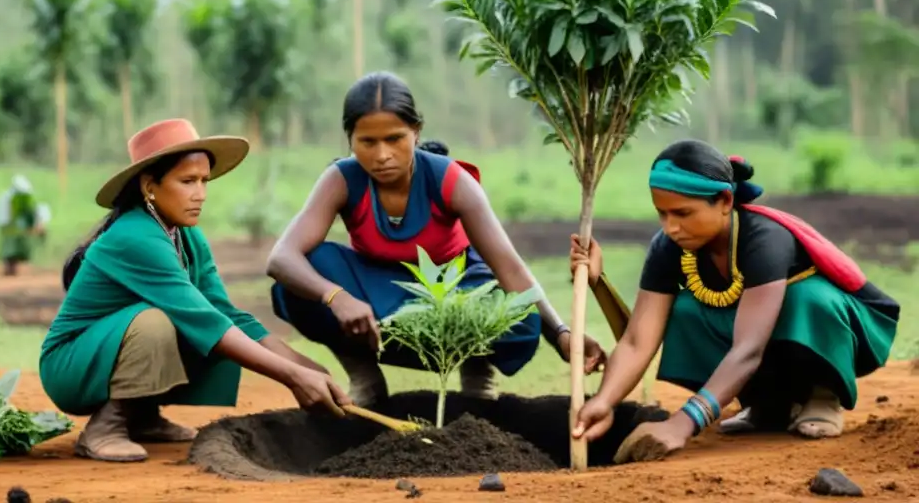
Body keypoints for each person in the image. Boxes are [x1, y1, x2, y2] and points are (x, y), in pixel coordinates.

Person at [267, 71, 606, 407]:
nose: (382, 154)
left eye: (395, 138)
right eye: (367, 142)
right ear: (350, 139)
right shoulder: (342, 178)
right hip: (377, 294)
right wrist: (336, 297)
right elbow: (281, 257)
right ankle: (363, 374)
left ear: (416, 132)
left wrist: (561, 333)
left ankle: (478, 369)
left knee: (520, 316)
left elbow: (511, 270)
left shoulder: (451, 180)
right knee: (304, 273)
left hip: (456, 291)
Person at [40, 119, 349, 464]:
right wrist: (292, 378)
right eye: (187, 181)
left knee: (200, 322)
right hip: (71, 366)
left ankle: (141, 416)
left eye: (204, 181)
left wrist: (305, 366)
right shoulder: (134, 236)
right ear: (148, 186)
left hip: (110, 352)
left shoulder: (186, 236)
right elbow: (205, 322)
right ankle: (105, 428)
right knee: (157, 323)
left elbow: (225, 313)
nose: (200, 193)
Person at [571, 139, 900, 464]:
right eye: (662, 213)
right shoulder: (668, 247)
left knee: (807, 298)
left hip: (834, 330)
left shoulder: (764, 239)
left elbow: (748, 349)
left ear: (725, 200)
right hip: (756, 336)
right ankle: (767, 404)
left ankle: (822, 396)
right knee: (685, 310)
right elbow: (636, 341)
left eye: (683, 213)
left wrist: (682, 424)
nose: (670, 227)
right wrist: (605, 401)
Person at [0, 174, 51, 276]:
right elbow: (4, 216)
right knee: (10, 247)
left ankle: (13, 266)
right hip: (11, 227)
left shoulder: (27, 198)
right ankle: (10, 267)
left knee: (16, 247)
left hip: (18, 227)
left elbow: (36, 211)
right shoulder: (6, 197)